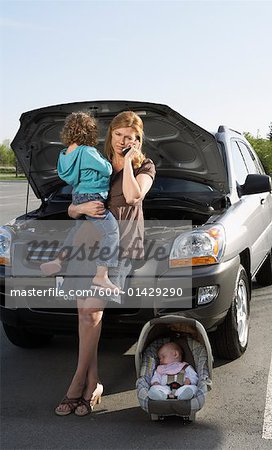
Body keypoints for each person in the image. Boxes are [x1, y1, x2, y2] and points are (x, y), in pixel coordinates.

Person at [55, 111, 155, 416]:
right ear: (110, 135)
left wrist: (127, 163)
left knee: (93, 312)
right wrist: (79, 206)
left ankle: (76, 383)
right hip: (87, 241)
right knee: (85, 316)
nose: (125, 141)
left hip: (120, 245)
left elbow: (132, 196)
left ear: (139, 140)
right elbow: (73, 208)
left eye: (132, 137)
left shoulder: (145, 166)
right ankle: (94, 381)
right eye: (119, 135)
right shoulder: (93, 160)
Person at [40, 111, 120, 293]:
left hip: (77, 196)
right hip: (93, 197)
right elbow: (107, 170)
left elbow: (66, 176)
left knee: (76, 232)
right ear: (89, 131)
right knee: (111, 232)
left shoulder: (64, 155)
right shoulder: (87, 151)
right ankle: (101, 276)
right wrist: (107, 161)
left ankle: (58, 260)